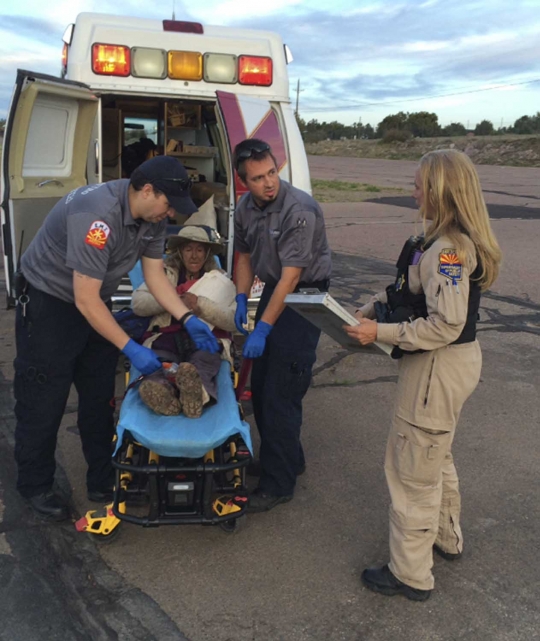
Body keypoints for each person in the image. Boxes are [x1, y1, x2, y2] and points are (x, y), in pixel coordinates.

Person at [14, 155, 219, 522]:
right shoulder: (97, 215)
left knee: (98, 396)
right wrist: (130, 347)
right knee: (43, 398)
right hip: (50, 305)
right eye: (168, 205)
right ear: (146, 190)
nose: (170, 215)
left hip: (94, 300)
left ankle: (101, 478)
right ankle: (35, 484)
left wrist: (187, 318)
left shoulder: (151, 218)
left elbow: (155, 277)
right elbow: (84, 299)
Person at [345, 149, 502, 601]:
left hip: (439, 366)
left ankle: (411, 574)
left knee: (413, 468)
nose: (413, 191)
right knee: (438, 452)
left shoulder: (448, 251)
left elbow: (445, 325)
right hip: (448, 365)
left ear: (439, 191)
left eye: (419, 184)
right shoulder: (435, 243)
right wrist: (375, 305)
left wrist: (381, 331)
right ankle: (445, 537)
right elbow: (409, 286)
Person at [233, 138, 332, 512]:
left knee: (282, 390)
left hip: (304, 298)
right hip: (275, 291)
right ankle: (287, 458)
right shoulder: (245, 207)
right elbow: (243, 254)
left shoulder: (299, 209)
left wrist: (263, 329)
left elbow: (292, 279)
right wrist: (242, 296)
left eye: (272, 172)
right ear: (245, 182)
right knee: (260, 389)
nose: (269, 183)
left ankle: (279, 484)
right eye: (258, 178)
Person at [132, 212, 237, 418]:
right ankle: (164, 393)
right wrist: (171, 298)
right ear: (179, 252)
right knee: (159, 365)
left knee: (202, 364)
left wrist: (200, 305)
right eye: (188, 249)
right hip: (167, 336)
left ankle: (197, 393)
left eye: (199, 249)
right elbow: (137, 304)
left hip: (204, 339)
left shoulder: (219, 280)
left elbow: (232, 320)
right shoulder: (163, 274)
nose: (194, 255)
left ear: (208, 253)